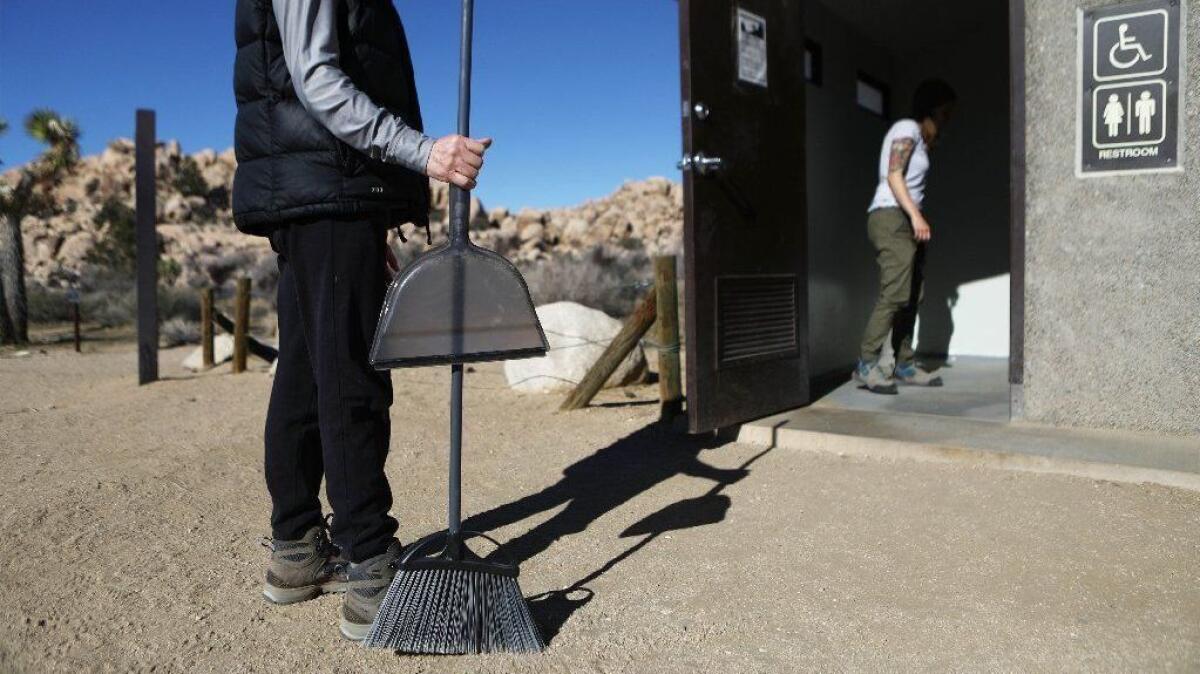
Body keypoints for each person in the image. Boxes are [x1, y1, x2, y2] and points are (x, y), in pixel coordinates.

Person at [232, 0, 492, 640]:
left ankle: (297, 549)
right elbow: (317, 78)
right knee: (350, 375)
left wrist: (365, 209)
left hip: (319, 190)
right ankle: (371, 565)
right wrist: (423, 153)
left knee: (304, 372)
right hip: (329, 187)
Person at [855, 79, 956, 395]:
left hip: (906, 220)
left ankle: (904, 364)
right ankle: (866, 363)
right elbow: (893, 174)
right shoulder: (907, 128)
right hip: (891, 216)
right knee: (896, 294)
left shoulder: (921, 139)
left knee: (913, 295)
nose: (947, 118)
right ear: (932, 108)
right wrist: (915, 215)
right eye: (945, 111)